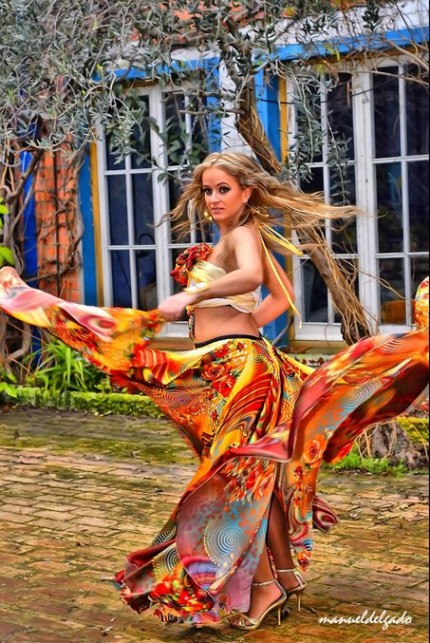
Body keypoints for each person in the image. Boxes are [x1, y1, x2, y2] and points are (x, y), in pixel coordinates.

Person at [0, 152, 428, 631]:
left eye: (224, 188)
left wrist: (196, 297)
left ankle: (266, 584)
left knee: (234, 478)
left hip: (240, 369)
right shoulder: (236, 238)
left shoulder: (243, 234)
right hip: (235, 362)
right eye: (208, 190)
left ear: (247, 192)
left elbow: (251, 279)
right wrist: (244, 334)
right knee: (249, 474)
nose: (214, 198)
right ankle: (283, 576)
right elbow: (283, 299)